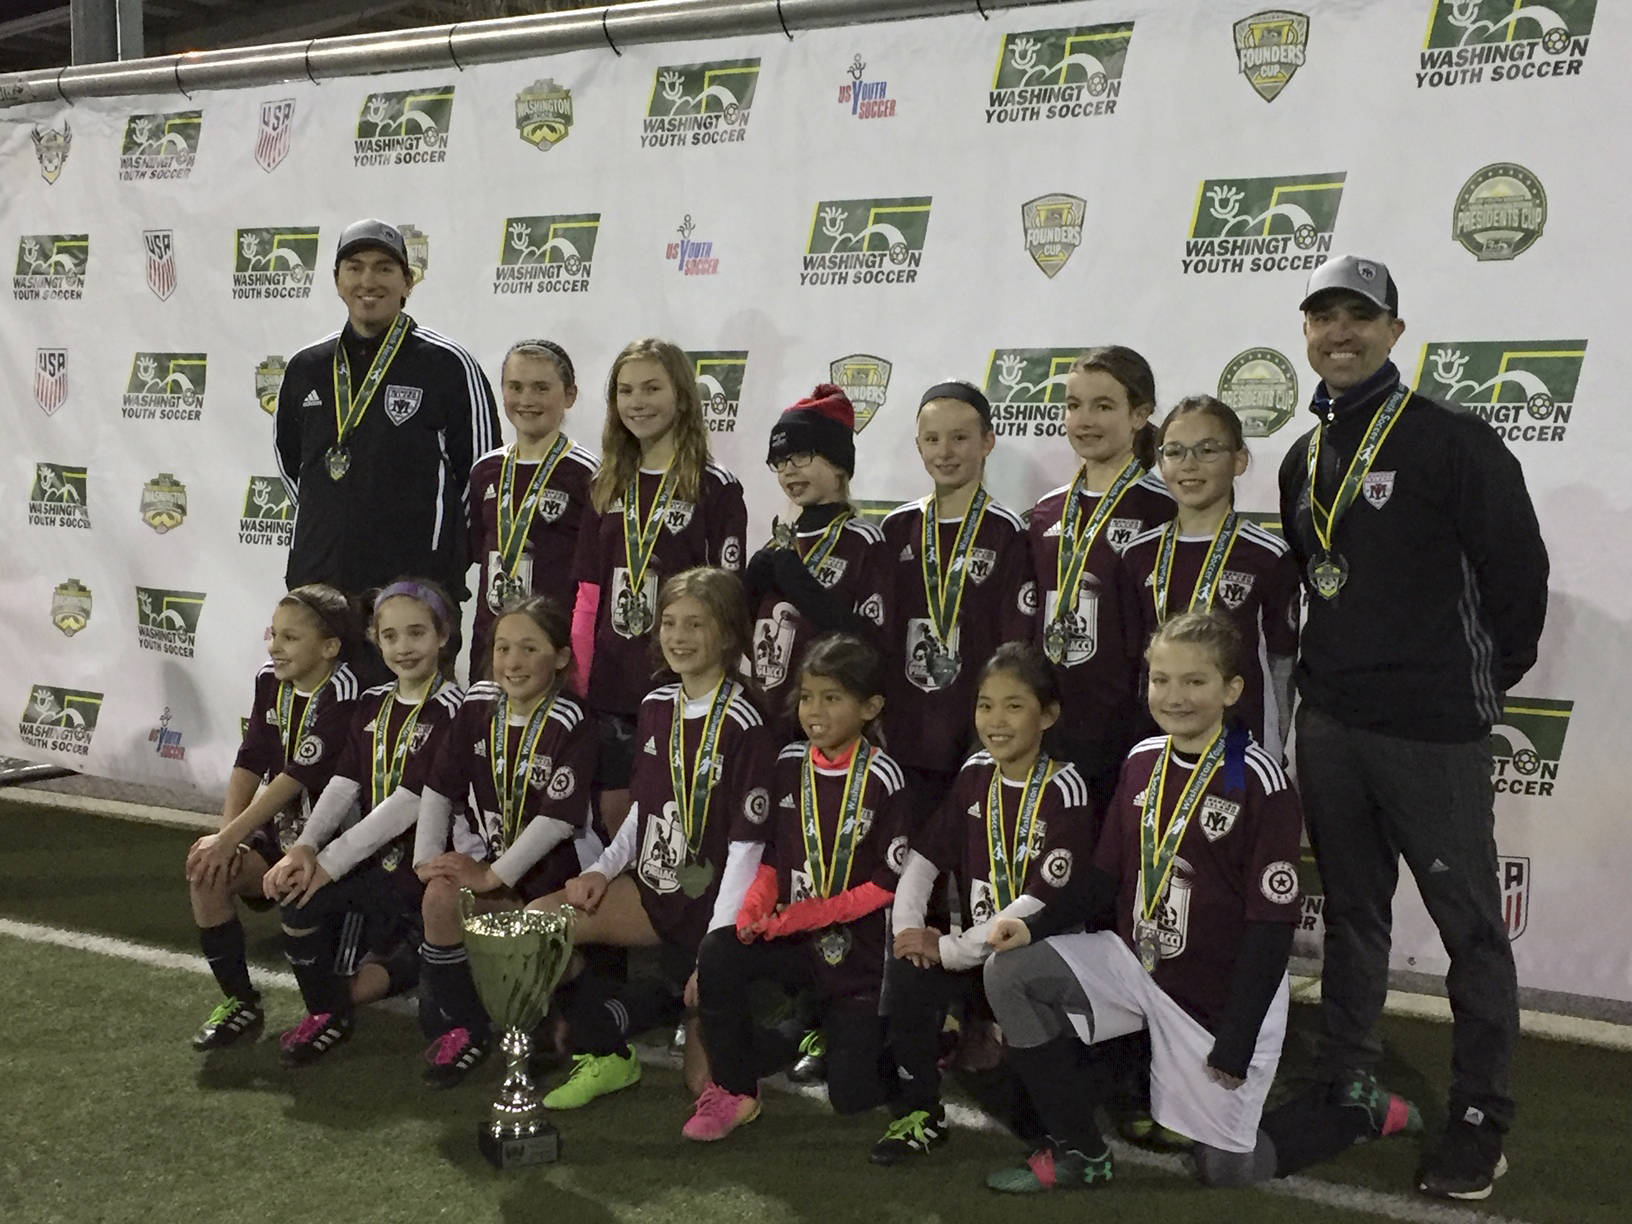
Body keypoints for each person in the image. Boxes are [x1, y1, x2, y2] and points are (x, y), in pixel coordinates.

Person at [1266, 255, 1548, 1201]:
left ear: (1394, 330)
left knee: (1470, 927)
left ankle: (1479, 1117)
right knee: (1352, 915)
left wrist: (1465, 690)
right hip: (1333, 723)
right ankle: (1347, 1081)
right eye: (1322, 319)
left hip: (1431, 732)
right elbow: (1320, 579)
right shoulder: (1303, 458)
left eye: (1358, 317)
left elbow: (1519, 587)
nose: (1338, 334)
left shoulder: (1454, 442)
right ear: (1306, 334)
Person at [980, 611, 1308, 1193]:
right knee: (1010, 973)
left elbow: (1270, 926)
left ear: (1232, 690)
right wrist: (1035, 926)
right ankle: (1079, 1150)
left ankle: (1356, 1112)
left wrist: (1236, 1038)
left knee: (1227, 1172)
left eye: (1194, 681)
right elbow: (1105, 875)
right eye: (1161, 680)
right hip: (1137, 963)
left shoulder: (1256, 779)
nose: (1174, 696)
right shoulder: (1142, 760)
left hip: (1213, 998)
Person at [532, 567, 773, 1107]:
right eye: (669, 622)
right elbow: (645, 809)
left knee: (705, 1086)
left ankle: (703, 1005)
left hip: (716, 905)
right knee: (540, 925)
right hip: (655, 890)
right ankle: (608, 1052)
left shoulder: (747, 721)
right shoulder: (657, 705)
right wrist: (601, 869)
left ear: (730, 634)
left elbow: (748, 847)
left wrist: (717, 947)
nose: (679, 636)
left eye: (696, 624)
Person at [683, 634, 908, 1141]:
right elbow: (776, 858)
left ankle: (902, 1035)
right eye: (808, 696)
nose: (815, 710)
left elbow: (885, 885)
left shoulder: (885, 777)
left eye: (833, 698)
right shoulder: (788, 764)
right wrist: (755, 907)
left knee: (851, 1099)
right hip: (799, 942)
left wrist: (809, 915)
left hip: (860, 958)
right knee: (720, 950)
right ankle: (738, 1091)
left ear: (870, 707)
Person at [881, 643, 1092, 1166]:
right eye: (985, 704)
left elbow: (1039, 899)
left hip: (1031, 964)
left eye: (1014, 706)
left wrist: (950, 948)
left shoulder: (1067, 788)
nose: (996, 721)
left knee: (1029, 1119)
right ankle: (921, 1113)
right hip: (974, 953)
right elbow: (924, 859)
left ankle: (1053, 1110)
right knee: (906, 971)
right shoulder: (976, 772)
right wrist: (908, 932)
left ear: (1048, 714)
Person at [273, 218, 500, 683]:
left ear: (407, 283)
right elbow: (294, 466)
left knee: (413, 725)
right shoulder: (306, 367)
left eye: (383, 268)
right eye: (354, 268)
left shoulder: (448, 364)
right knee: (319, 724)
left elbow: (482, 478)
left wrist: (436, 558)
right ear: (337, 281)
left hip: (412, 587)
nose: (368, 281)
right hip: (319, 582)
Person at [261, 580, 465, 1066]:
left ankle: (427, 975)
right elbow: (346, 779)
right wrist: (306, 848)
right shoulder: (373, 700)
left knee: (435, 1014)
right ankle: (326, 1012)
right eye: (390, 635)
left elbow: (411, 800)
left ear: (443, 636)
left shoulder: (457, 707)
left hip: (428, 869)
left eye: (417, 633)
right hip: (371, 863)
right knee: (298, 895)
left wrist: (329, 861)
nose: (403, 647)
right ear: (375, 638)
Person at [411, 595, 602, 1087]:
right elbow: (438, 785)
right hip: (491, 863)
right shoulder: (477, 705)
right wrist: (427, 859)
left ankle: (561, 1001)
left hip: (557, 873)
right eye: (502, 648)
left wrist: (494, 875)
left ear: (560, 657)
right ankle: (463, 1029)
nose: (512, 662)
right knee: (439, 896)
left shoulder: (572, 720)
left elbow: (559, 822)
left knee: (532, 941)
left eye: (529, 649)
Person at [570, 339, 747, 834]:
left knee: (675, 821)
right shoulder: (606, 484)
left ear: (683, 397)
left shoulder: (714, 487)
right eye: (625, 391)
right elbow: (587, 593)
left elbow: (728, 597)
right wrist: (580, 681)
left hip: (680, 683)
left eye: (652, 388)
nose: (638, 401)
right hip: (610, 688)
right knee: (612, 819)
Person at [185, 585, 361, 1051]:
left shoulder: (344, 692)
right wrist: (229, 839)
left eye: (290, 638)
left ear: (329, 649)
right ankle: (240, 1001)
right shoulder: (270, 678)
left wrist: (232, 837)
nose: (274, 647)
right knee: (206, 873)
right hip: (279, 832)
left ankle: (327, 1014)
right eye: (273, 634)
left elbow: (296, 777)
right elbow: (252, 757)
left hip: (333, 841)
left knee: (298, 904)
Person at [880, 381, 1036, 835]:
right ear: (918, 446)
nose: (945, 451)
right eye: (932, 439)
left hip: (975, 735)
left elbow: (1014, 644)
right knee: (905, 871)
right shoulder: (898, 527)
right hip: (904, 736)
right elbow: (880, 634)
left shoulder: (1006, 532)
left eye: (960, 438)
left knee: (975, 866)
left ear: (988, 441)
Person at [1028, 346, 1174, 807]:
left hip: (1132, 734)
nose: (1084, 419)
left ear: (1141, 414)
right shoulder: (1045, 513)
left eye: (1103, 406)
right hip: (1051, 730)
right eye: (1074, 406)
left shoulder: (1165, 509)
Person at [1120, 396, 1300, 753]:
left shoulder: (1267, 555)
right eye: (1175, 451)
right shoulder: (1137, 554)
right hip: (1158, 736)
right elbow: (1130, 662)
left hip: (1238, 741)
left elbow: (1282, 665)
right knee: (1164, 809)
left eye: (1207, 450)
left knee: (1229, 806)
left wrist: (1276, 745)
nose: (1190, 464)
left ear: (1239, 460)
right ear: (1160, 462)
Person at [744, 384, 890, 738]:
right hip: (769, 720)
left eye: (801, 456)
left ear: (838, 461)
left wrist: (800, 585)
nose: (788, 470)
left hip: (830, 728)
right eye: (779, 462)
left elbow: (870, 643)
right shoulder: (779, 544)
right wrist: (747, 591)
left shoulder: (864, 542)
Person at [467, 339, 598, 680]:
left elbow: (593, 578)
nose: (526, 399)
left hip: (552, 651)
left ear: (569, 395)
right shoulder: (485, 470)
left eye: (541, 388)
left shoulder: (587, 474)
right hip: (492, 647)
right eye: (516, 387)